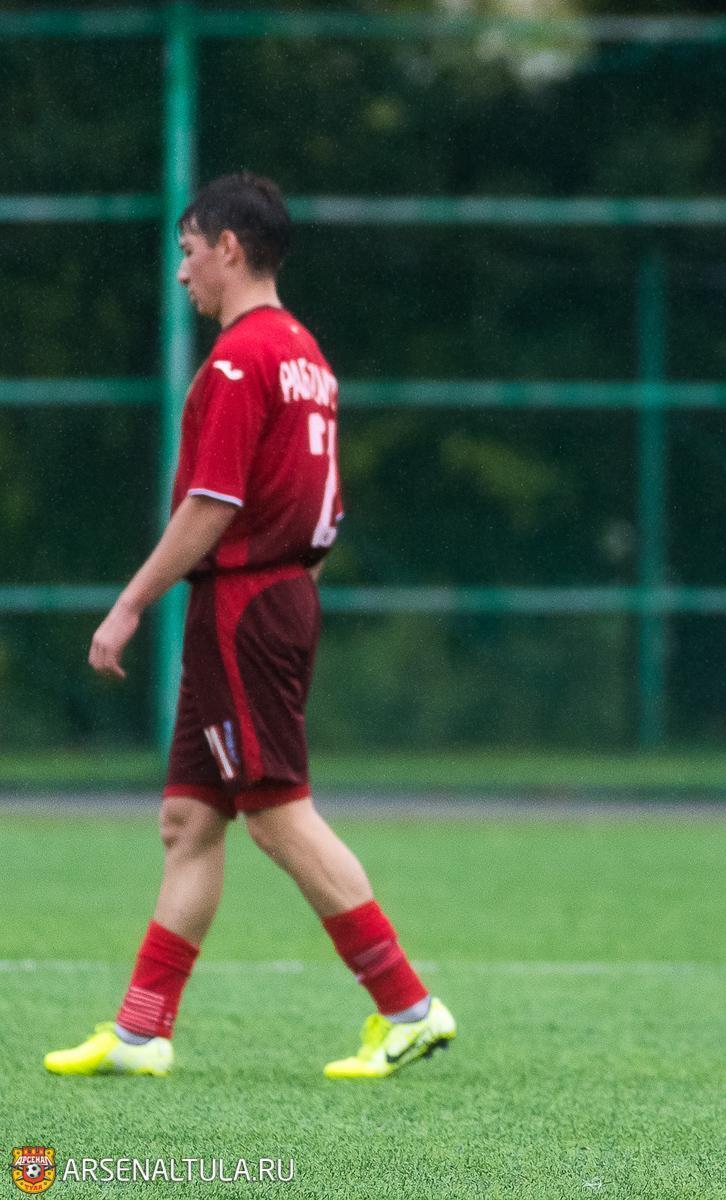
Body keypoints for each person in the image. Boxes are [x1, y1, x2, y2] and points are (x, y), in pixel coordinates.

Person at [43, 172, 455, 1081]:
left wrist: (129, 603)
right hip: (273, 596)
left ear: (229, 248)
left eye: (188, 251)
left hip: (243, 605)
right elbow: (320, 505)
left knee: (275, 814)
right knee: (189, 820)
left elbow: (211, 504)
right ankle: (143, 1031)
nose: (181, 272)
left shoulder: (239, 360)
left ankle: (408, 1007)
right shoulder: (305, 352)